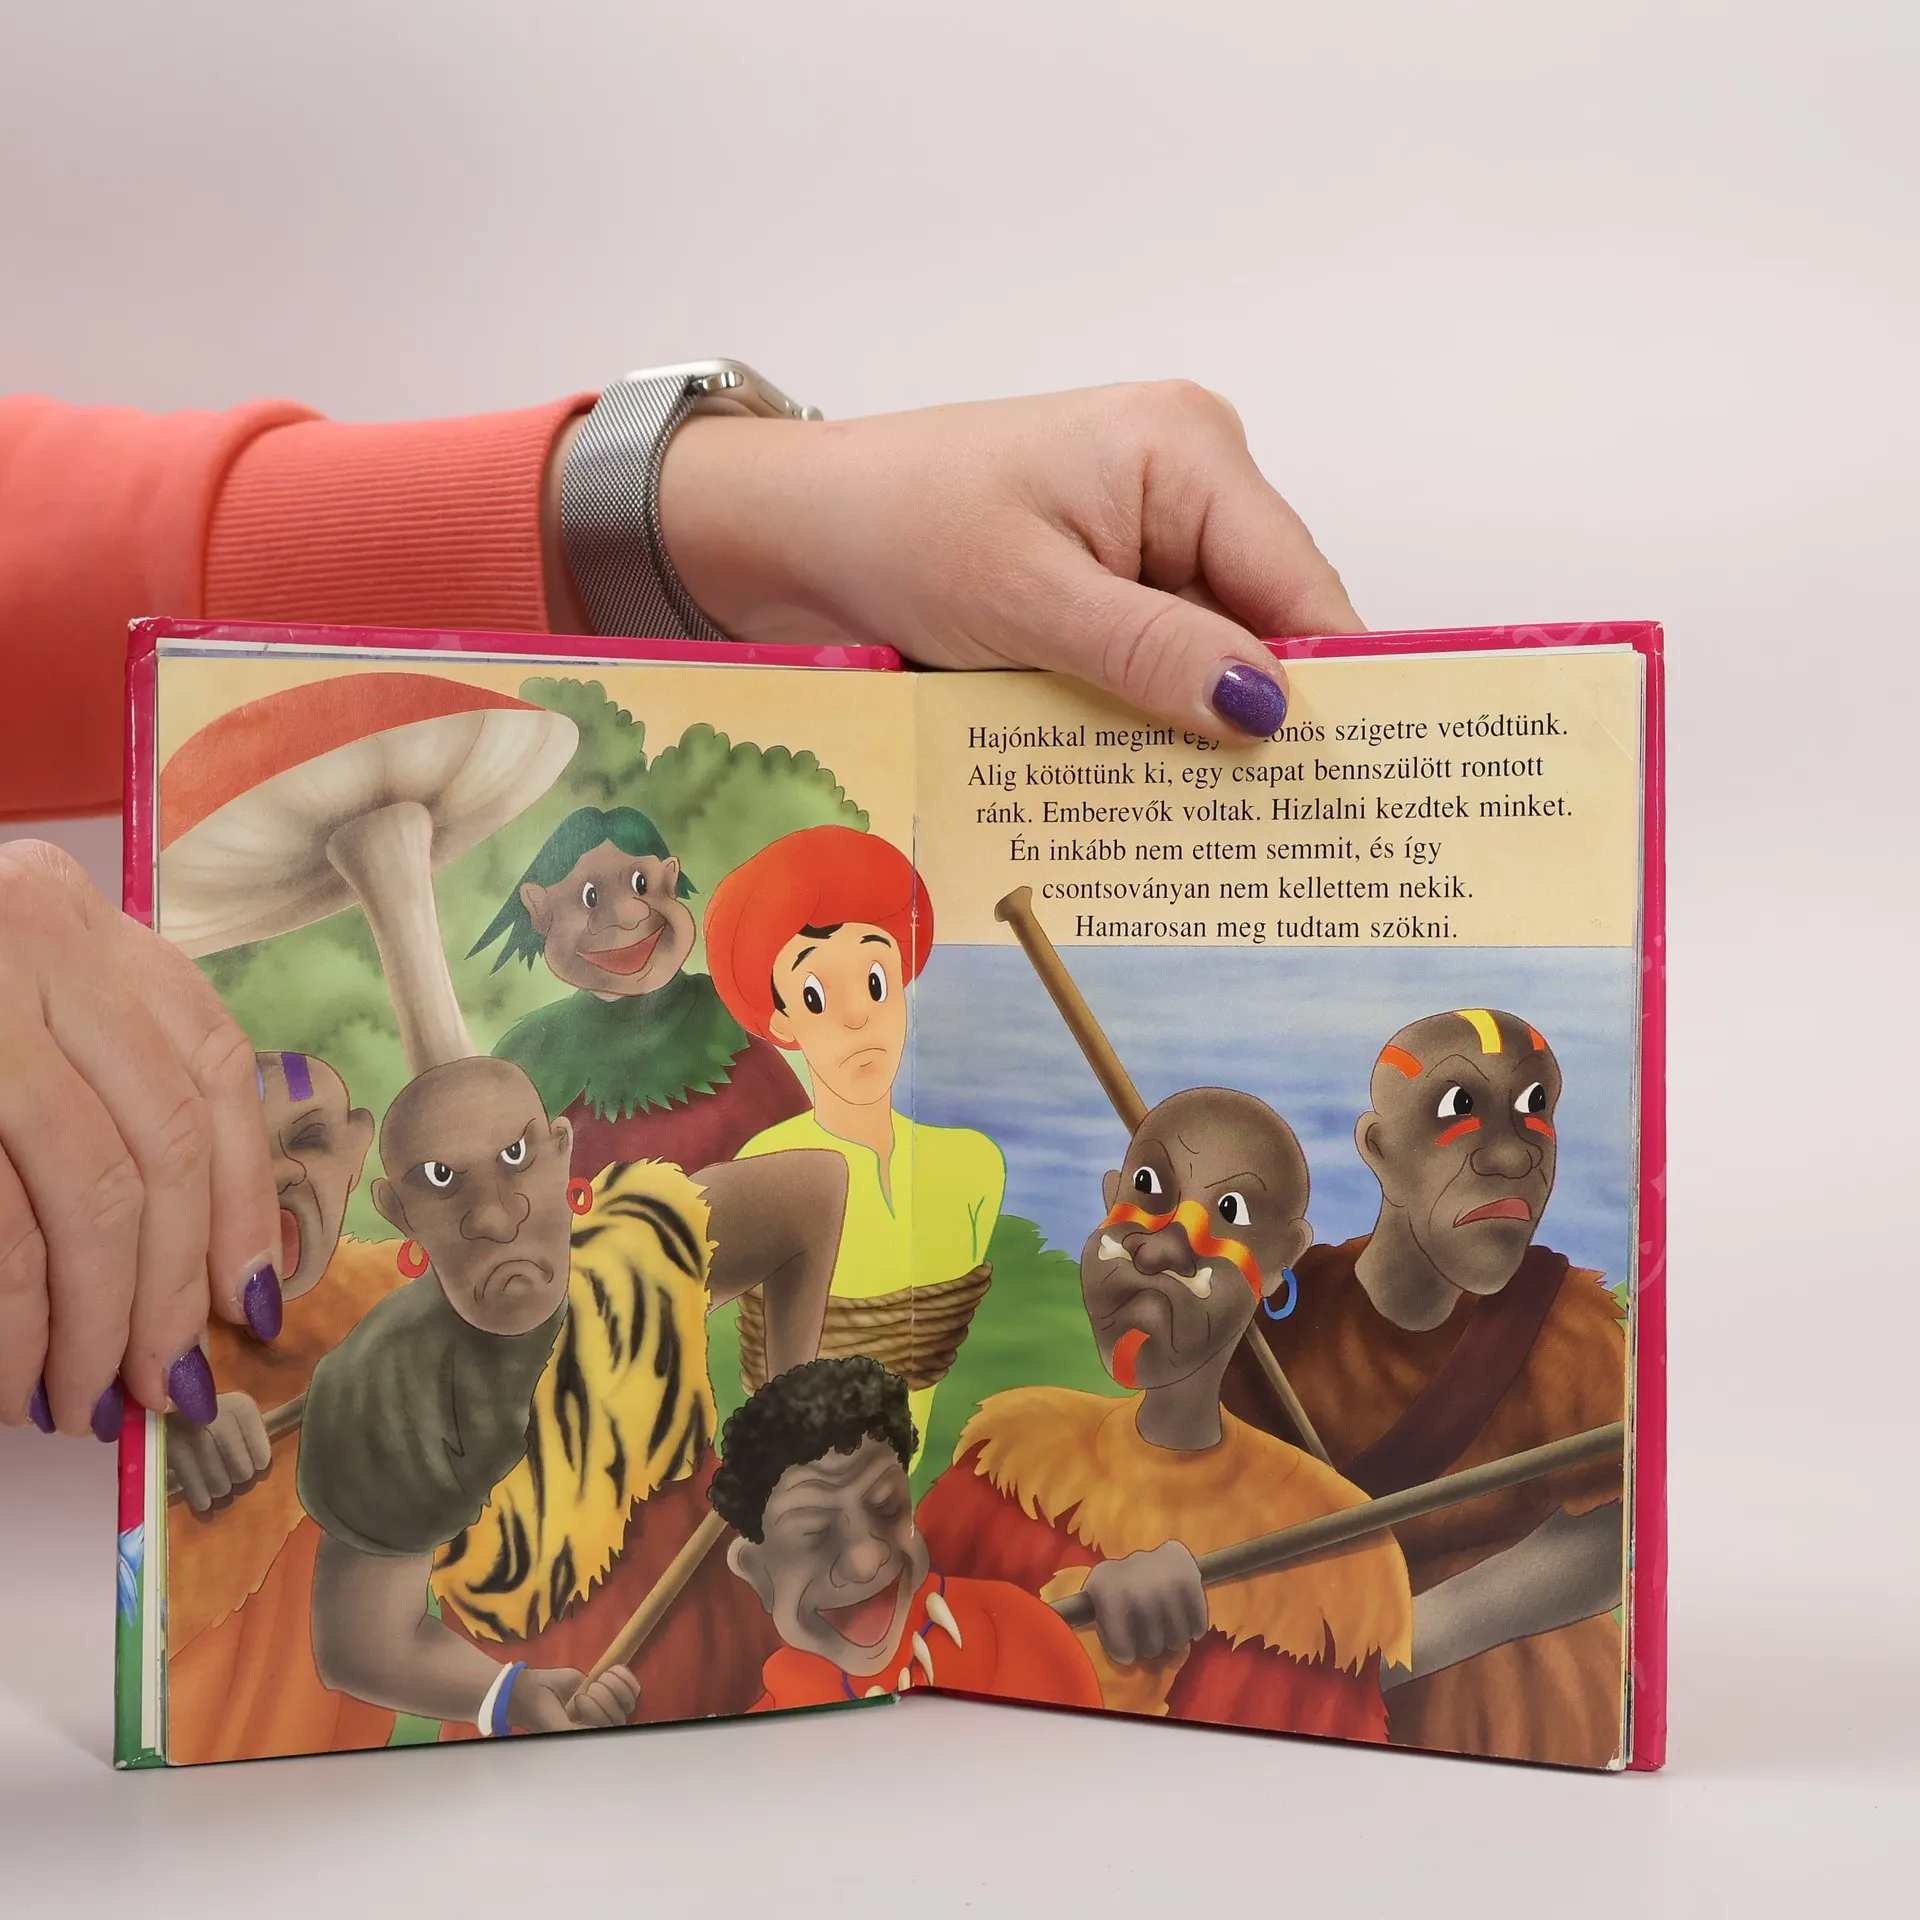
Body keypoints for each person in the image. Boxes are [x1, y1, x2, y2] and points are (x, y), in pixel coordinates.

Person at [0, 379, 1359, 1441]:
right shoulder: (546, 1099)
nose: (628, 915)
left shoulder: (848, 1132)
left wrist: (724, 509)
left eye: (651, 886)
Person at [297, 1054, 844, 1734]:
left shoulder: (638, 1250)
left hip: (758, 1668)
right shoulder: (387, 1386)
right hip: (555, 1721)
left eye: (516, 1156)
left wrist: (786, 1442)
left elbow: (814, 1191)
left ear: (561, 1150)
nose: (494, 1215)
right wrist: (508, 1694)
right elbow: (361, 1646)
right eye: (442, 1180)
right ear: (396, 1210)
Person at [917, 1088, 1412, 1741]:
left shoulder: (1333, 1552)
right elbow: (914, 1653)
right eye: (1148, 1188)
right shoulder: (1013, 1453)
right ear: (1109, 1194)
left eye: (1229, 1213)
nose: (1159, 1250)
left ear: (1281, 1258)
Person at [1219, 1008, 1629, 1767]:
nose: (1513, 1153)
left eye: (1535, 1107)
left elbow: (1610, 1533)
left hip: (1535, 1726)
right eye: (1460, 1106)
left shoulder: (1568, 1323)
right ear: (1379, 1149)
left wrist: (1391, 1645)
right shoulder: (1280, 1318)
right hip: (1300, 1721)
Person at [705, 825, 1005, 1453]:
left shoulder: (976, 1166)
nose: (857, 1015)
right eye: (815, 995)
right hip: (807, 1479)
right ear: (782, 1020)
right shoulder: (767, 1165)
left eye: (875, 981)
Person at [165, 1049, 397, 1763]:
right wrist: (155, 1434)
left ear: (357, 1149)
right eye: (229, 1151)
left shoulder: (395, 1304)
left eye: (310, 1139)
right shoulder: (148, 1328)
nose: (276, 1173)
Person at [710, 1356, 1101, 1713]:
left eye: (887, 1507)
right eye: (814, 1533)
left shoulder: (1017, 1637)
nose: (866, 1561)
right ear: (756, 1571)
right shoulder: (769, 1723)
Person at [478, 804, 810, 1177]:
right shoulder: (526, 1055)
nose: (627, 915)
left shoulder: (729, 1022)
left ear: (670, 878)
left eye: (641, 885)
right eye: (590, 898)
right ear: (539, 909)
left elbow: (804, 1157)